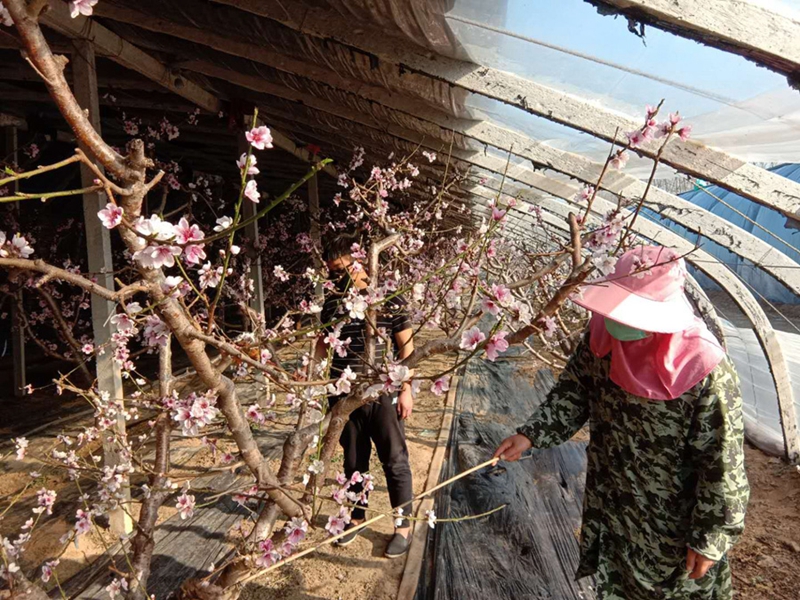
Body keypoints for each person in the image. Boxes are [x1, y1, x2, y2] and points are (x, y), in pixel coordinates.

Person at [494, 245, 749, 599]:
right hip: (612, 503)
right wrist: (532, 434)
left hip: (670, 525)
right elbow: (575, 390)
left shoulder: (703, 369)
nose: (619, 322)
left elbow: (722, 464)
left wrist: (710, 538)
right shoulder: (603, 336)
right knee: (615, 583)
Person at [315, 233, 415, 558]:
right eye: (332, 272)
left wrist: (406, 389)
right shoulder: (332, 302)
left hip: (382, 392)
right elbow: (323, 343)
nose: (337, 278)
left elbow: (407, 348)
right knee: (353, 460)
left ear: (360, 263)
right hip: (343, 394)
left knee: (394, 459)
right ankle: (356, 517)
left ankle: (403, 525)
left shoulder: (388, 297)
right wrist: (311, 374)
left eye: (342, 270)